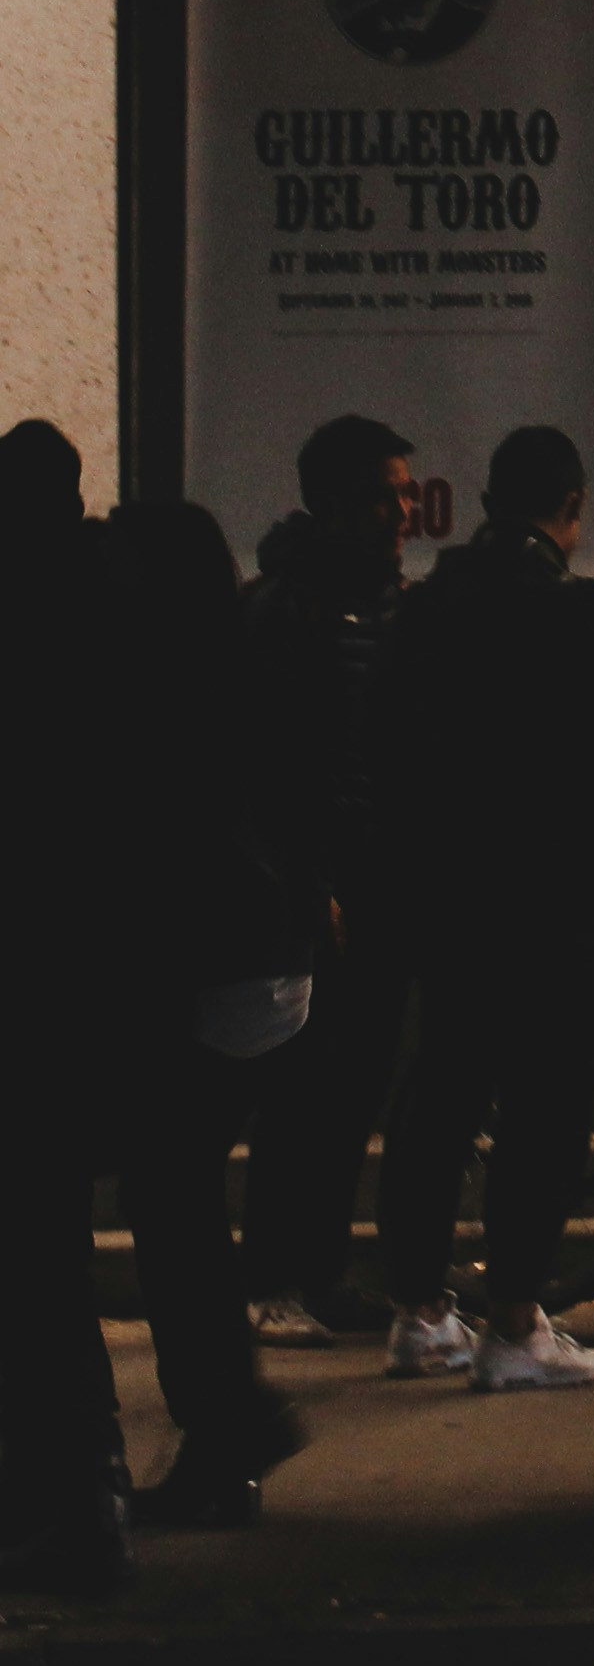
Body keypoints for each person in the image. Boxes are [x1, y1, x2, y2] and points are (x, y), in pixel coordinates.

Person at [5, 483, 310, 1587]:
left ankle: (198, 1435)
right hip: (240, 979)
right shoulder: (227, 662)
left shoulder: (125, 683)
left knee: (131, 1209)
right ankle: (226, 1427)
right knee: (172, 1200)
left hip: (169, 985)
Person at [371, 427, 594, 1391]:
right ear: (571, 508)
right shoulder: (574, 614)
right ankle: (515, 1322)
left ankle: (417, 1311)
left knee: (439, 1094)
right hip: (547, 899)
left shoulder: (425, 606)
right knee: (543, 1109)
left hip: (444, 896)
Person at [233, 412, 424, 1348]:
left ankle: (318, 1270)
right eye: (388, 492)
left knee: (353, 1090)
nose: (405, 510)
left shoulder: (386, 605)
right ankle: (273, 1276)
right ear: (337, 501)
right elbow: (273, 767)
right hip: (320, 889)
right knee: (304, 1091)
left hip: (379, 881)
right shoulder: (284, 611)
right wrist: (311, 886)